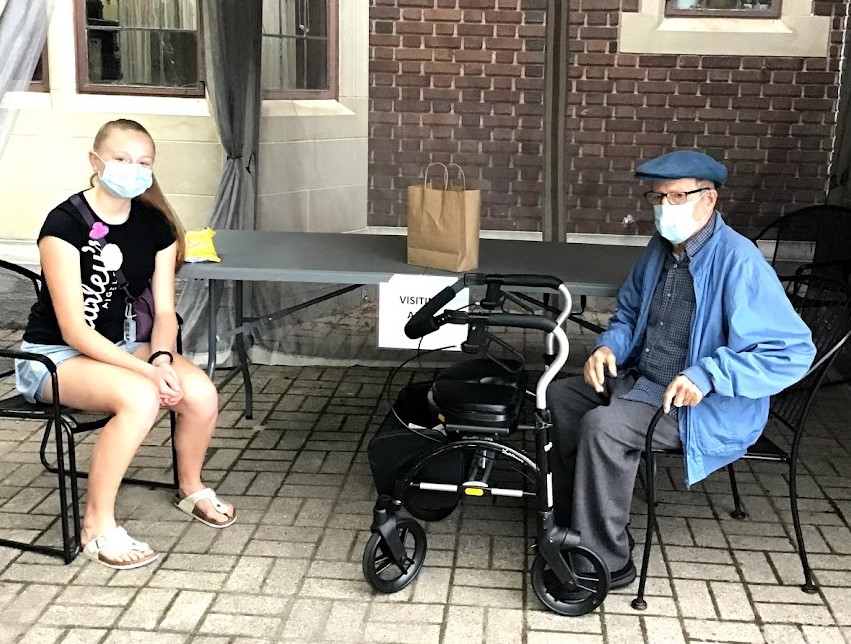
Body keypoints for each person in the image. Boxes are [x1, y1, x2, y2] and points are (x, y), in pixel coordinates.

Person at [548, 150, 816, 590]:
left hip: (702, 404)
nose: (664, 208)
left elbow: (791, 351)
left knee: (603, 427)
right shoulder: (659, 250)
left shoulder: (738, 260)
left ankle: (605, 561)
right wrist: (606, 347)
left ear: (709, 200)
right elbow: (629, 313)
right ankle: (576, 521)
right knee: (561, 397)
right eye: (656, 198)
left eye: (676, 196)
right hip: (644, 380)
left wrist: (708, 375)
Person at [15, 118, 236, 570]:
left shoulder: (154, 226)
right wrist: (148, 373)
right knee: (142, 397)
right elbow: (74, 330)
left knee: (199, 393)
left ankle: (190, 487)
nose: (132, 170)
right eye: (121, 159)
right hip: (52, 357)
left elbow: (166, 311)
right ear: (95, 161)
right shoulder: (64, 224)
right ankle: (97, 524)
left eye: (143, 162)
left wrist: (159, 357)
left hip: (121, 345)